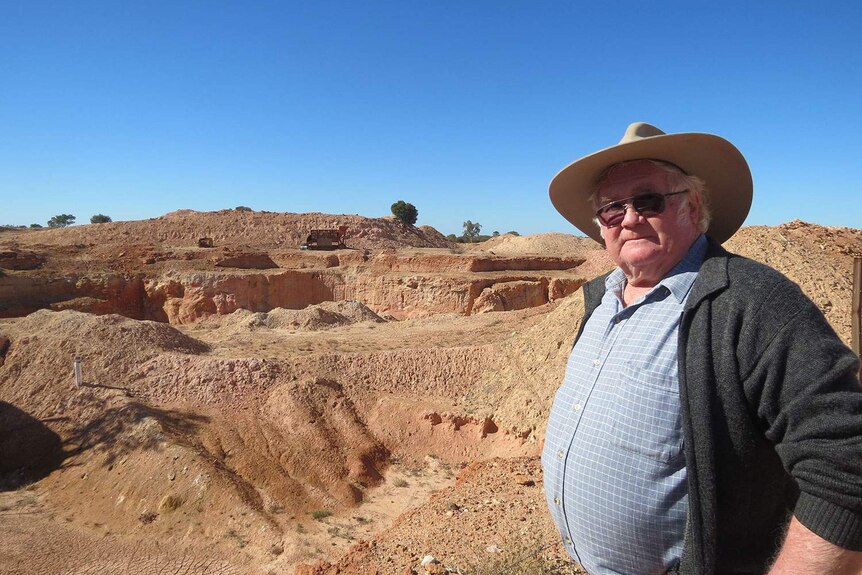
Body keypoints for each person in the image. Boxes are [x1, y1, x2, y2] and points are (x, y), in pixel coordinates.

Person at [541, 122, 862, 575]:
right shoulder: (599, 299)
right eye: (613, 209)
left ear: (692, 206)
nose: (629, 218)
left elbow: (847, 462)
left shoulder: (753, 301)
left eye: (647, 201)